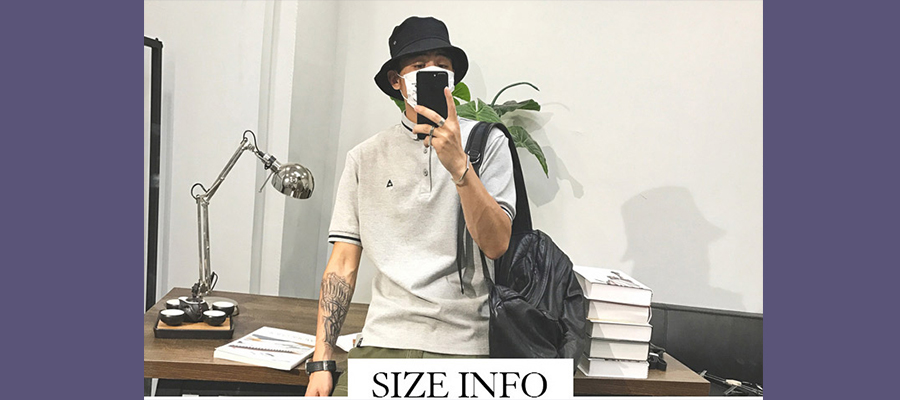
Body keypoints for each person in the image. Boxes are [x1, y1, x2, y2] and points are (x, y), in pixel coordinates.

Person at [304, 16, 516, 397]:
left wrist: (460, 167)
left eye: (442, 65)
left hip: (464, 346)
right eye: (419, 66)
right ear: (396, 81)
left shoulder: (488, 144)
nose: (432, 72)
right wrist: (321, 360)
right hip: (382, 342)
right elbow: (342, 264)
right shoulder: (364, 158)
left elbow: (497, 244)